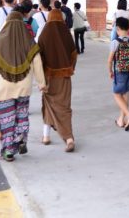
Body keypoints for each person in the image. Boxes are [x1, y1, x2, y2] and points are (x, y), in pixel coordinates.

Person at [0, 0, 46, 161]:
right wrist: (41, 83)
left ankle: (8, 150)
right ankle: (20, 139)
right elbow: (37, 62)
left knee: (6, 119)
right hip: (24, 86)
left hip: (3, 88)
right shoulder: (29, 41)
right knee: (21, 114)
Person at [38, 9, 78, 152]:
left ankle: (47, 136)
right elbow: (74, 54)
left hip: (48, 77)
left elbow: (39, 58)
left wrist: (41, 78)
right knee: (64, 107)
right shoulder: (66, 32)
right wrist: (70, 68)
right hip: (64, 76)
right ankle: (68, 138)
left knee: (48, 104)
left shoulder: (44, 33)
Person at [109, 17, 129, 131]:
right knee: (125, 93)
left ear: (117, 28)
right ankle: (121, 120)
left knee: (116, 94)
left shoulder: (115, 42)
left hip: (120, 72)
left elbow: (109, 60)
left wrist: (110, 71)